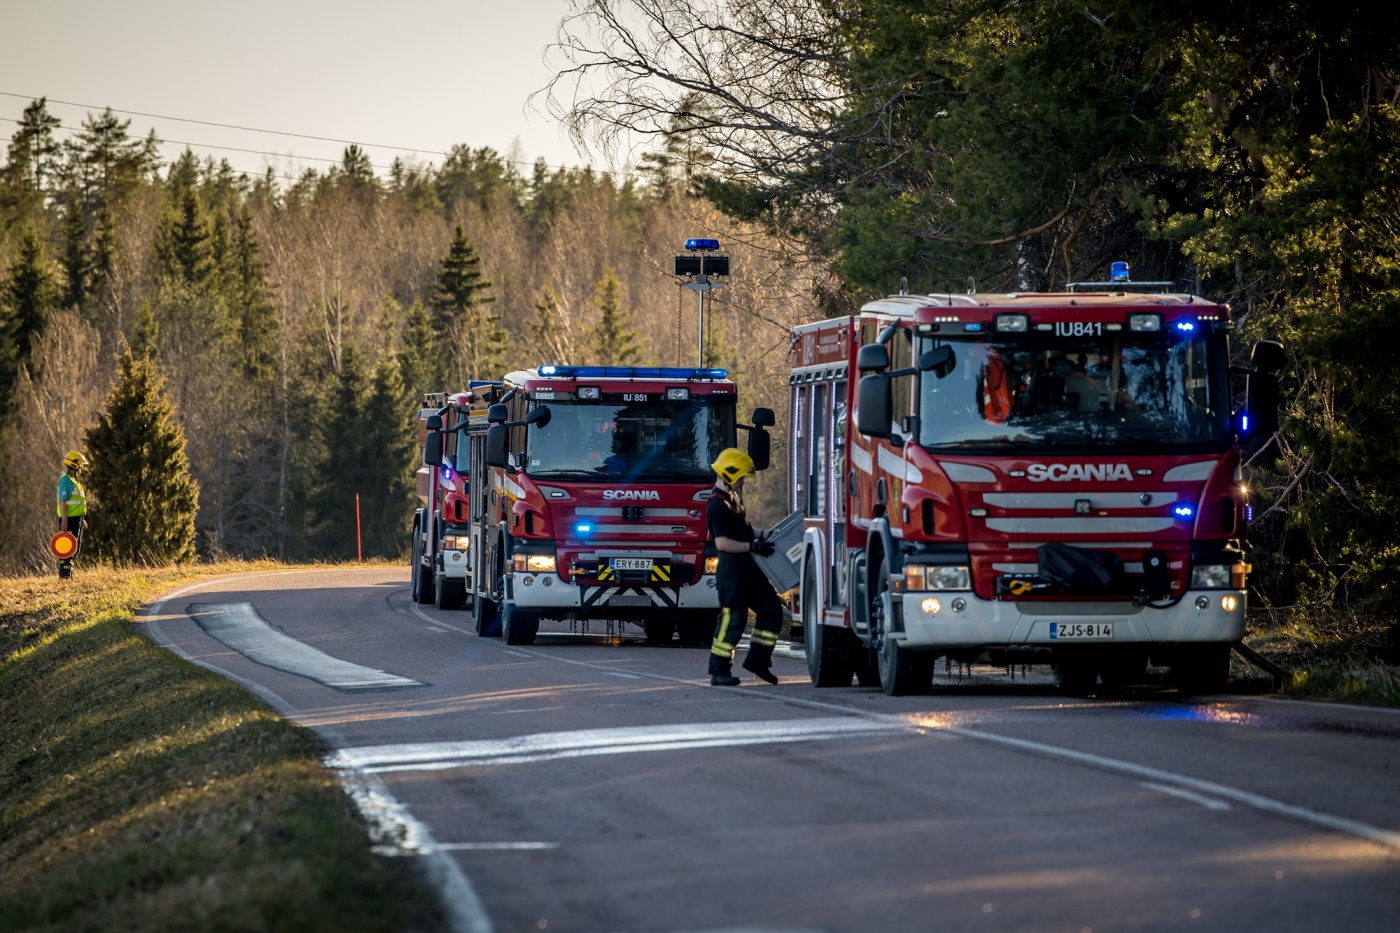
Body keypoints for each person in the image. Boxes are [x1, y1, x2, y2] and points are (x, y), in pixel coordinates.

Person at [705, 448, 783, 686]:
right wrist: (753, 546)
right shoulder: (717, 506)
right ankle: (719, 671)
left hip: (748, 572)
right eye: (740, 478)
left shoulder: (731, 502)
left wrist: (769, 535)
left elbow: (743, 530)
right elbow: (722, 542)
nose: (741, 483)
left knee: (772, 610)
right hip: (732, 575)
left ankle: (758, 661)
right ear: (729, 475)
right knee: (733, 622)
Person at [56, 450, 89, 579]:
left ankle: (69, 575)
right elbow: (62, 501)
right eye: (80, 464)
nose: (81, 467)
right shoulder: (65, 480)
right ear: (74, 464)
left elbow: (77, 502)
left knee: (74, 548)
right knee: (67, 549)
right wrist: (64, 520)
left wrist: (82, 518)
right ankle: (64, 576)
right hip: (69, 519)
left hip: (77, 518)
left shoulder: (73, 480)